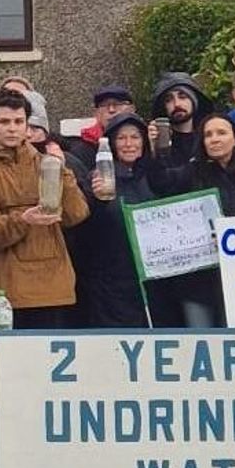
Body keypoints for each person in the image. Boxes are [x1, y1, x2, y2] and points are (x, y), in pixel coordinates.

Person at [0, 90, 90, 330]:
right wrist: (22, 220)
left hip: (53, 288)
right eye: (4, 121)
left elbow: (76, 215)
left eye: (18, 121)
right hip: (5, 292)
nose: (12, 128)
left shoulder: (48, 164)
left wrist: (63, 171)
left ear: (27, 126)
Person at [148, 113, 235, 328]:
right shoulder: (193, 172)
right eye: (208, 135)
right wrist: (156, 150)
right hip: (199, 283)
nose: (214, 139)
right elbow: (160, 182)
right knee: (202, 342)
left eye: (221, 133)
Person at [71, 113, 154, 329]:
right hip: (109, 284)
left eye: (135, 137)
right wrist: (97, 201)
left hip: (151, 281)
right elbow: (83, 228)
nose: (129, 144)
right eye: (121, 138)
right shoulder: (96, 179)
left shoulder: (157, 177)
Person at [147, 71, 213, 184]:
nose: (176, 104)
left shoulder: (209, 137)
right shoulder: (159, 144)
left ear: (194, 101)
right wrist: (153, 150)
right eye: (169, 100)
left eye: (182, 97)